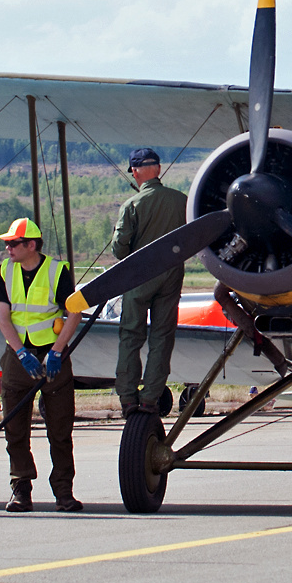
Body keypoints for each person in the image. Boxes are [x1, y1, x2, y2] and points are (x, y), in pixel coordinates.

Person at [0, 217, 82, 513]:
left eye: (13, 243)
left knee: (59, 428)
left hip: (52, 358)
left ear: (31, 245)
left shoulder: (58, 271)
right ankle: (20, 490)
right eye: (7, 244)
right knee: (15, 429)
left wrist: (57, 352)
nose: (8, 248)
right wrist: (20, 353)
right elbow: (3, 318)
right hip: (19, 357)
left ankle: (63, 492)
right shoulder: (4, 271)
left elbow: (74, 314)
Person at [113, 148, 188, 416]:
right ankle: (150, 398)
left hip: (138, 277)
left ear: (135, 172)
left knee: (131, 336)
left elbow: (120, 249)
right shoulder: (182, 201)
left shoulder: (132, 205)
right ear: (158, 169)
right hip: (171, 275)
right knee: (162, 337)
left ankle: (128, 398)